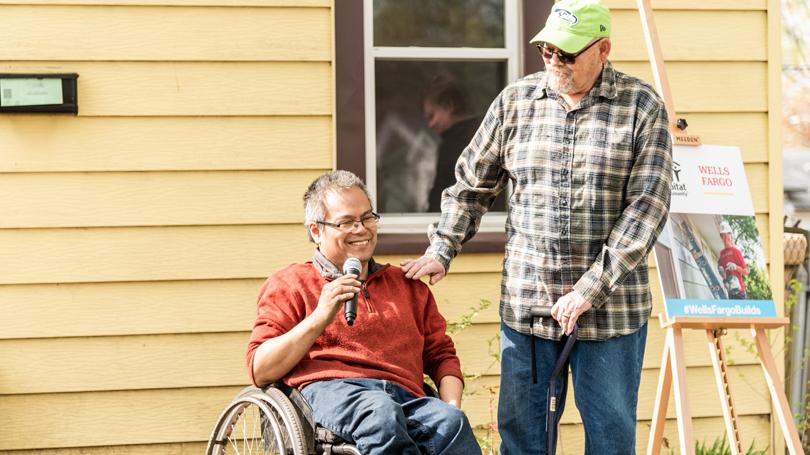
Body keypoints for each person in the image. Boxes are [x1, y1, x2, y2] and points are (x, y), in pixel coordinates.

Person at [401, 0, 673, 453]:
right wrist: (442, 247)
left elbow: (646, 209)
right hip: (528, 308)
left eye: (566, 53)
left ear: (602, 49)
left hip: (609, 313)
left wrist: (590, 288)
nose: (554, 62)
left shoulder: (641, 107)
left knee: (609, 439)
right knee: (522, 439)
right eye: (547, 51)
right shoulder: (515, 103)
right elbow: (471, 185)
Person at [246, 170, 481, 455]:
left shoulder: (408, 286)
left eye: (367, 218)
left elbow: (442, 357)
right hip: (331, 393)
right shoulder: (290, 283)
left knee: (451, 423)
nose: (361, 229)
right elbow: (260, 369)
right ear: (316, 230)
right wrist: (321, 315)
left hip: (405, 397)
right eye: (346, 222)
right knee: (379, 413)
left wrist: (450, 406)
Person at [717, 221, 748, 299]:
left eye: (728, 234)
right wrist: (723, 277)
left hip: (740, 293)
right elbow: (723, 273)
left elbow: (746, 272)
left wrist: (736, 267)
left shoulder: (736, 252)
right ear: (721, 237)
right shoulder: (721, 254)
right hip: (730, 293)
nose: (726, 237)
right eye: (723, 235)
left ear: (731, 236)